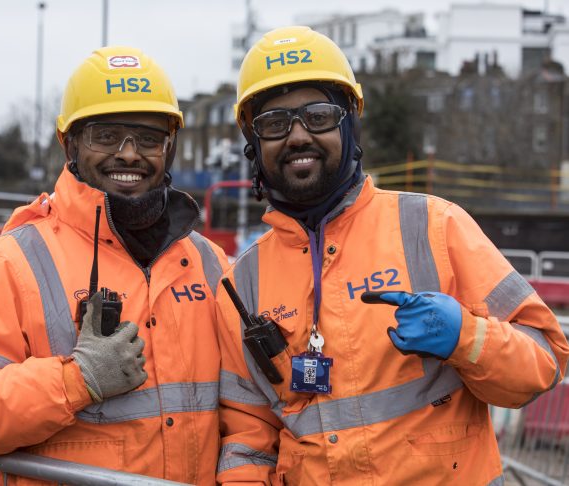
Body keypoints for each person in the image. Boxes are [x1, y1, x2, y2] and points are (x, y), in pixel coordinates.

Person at [215, 26, 569, 485]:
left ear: (349, 124)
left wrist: (466, 338)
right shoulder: (242, 282)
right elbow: (248, 435)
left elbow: (544, 361)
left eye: (318, 116)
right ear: (254, 141)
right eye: (274, 123)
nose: (298, 136)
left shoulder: (434, 226)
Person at [0, 46, 228, 485]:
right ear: (70, 143)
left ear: (169, 149)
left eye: (148, 138)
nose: (129, 154)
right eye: (106, 136)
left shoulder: (208, 262)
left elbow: (244, 410)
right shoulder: (10, 263)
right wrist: (77, 381)